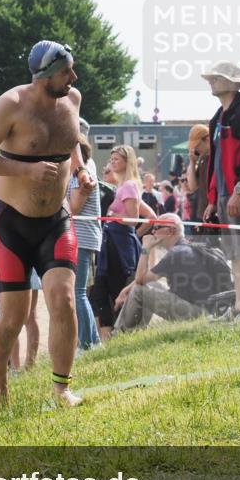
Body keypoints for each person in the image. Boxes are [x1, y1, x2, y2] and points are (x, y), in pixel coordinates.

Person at [0, 40, 95, 407]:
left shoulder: (72, 100)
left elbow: (71, 140)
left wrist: (81, 170)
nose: (74, 77)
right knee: (14, 316)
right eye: (66, 71)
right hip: (11, 223)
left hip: (56, 220)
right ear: (44, 76)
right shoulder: (11, 104)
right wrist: (27, 170)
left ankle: (61, 389)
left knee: (64, 299)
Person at [202, 60, 240, 321]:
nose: (211, 82)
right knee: (235, 254)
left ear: (232, 83)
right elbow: (216, 162)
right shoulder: (218, 117)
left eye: (217, 78)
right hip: (224, 194)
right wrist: (212, 198)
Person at [112, 213, 232, 331]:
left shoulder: (176, 253)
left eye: (157, 228)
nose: (153, 232)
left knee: (139, 290)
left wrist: (146, 248)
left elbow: (140, 279)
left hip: (198, 314)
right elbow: (146, 279)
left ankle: (120, 332)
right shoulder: (187, 248)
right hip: (209, 310)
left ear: (171, 230)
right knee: (150, 285)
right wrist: (128, 288)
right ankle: (135, 330)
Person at [92, 146, 144, 341]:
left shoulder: (129, 185)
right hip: (110, 242)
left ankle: (120, 338)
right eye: (111, 159)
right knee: (101, 293)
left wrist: (113, 216)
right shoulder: (122, 185)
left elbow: (133, 219)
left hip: (120, 245)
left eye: (116, 159)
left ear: (127, 162)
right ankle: (108, 339)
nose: (112, 162)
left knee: (116, 291)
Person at [67, 129, 102, 351]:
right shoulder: (87, 170)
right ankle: (93, 341)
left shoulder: (80, 175)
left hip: (81, 237)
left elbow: (74, 207)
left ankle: (88, 343)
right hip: (86, 237)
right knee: (78, 291)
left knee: (77, 292)